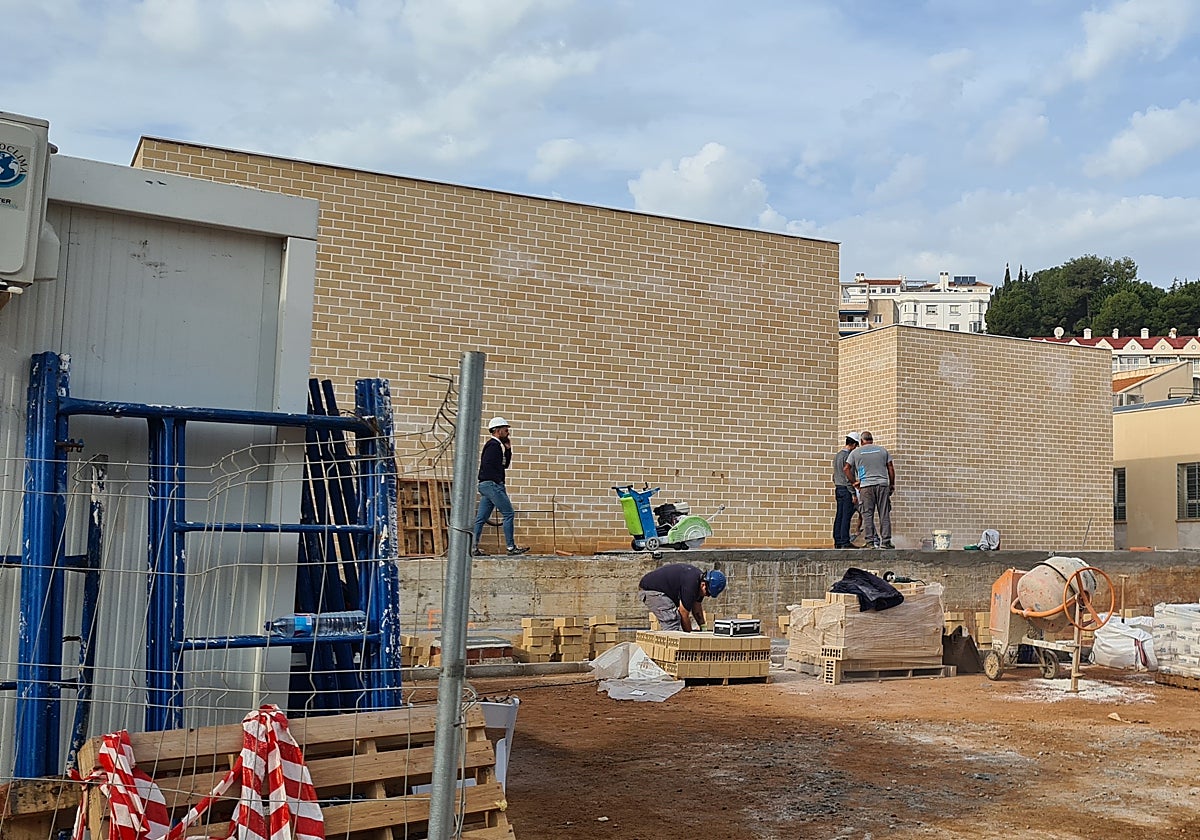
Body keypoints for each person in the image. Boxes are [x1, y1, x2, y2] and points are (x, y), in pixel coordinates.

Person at [472, 416, 530, 556]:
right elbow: (491, 466)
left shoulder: (496, 446)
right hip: (492, 485)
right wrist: (498, 483)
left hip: (486, 485)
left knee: (481, 518)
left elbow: (504, 465)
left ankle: (472, 547)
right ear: (497, 431)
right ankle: (511, 547)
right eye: (505, 430)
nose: (507, 432)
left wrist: (508, 450)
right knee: (509, 513)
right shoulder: (493, 446)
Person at [843, 430, 895, 549]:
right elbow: (890, 468)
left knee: (867, 514)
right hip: (882, 485)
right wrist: (891, 484)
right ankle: (886, 541)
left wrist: (854, 483)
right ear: (872, 440)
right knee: (884, 514)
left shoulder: (856, 452)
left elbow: (846, 468)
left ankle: (870, 542)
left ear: (861, 441)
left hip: (866, 486)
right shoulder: (882, 450)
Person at [637, 563, 727, 632]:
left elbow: (697, 608)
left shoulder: (699, 582)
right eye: (708, 593)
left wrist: (703, 628)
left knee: (678, 624)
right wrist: (688, 640)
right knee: (672, 621)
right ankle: (672, 654)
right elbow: (684, 614)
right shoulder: (691, 585)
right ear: (704, 585)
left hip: (660, 590)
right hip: (650, 590)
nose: (707, 596)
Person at [833, 432, 861, 548]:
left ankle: (838, 540)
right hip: (846, 489)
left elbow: (834, 475)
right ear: (853, 444)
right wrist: (853, 493)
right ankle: (845, 541)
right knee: (846, 516)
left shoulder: (837, 455)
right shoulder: (849, 457)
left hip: (838, 488)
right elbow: (848, 476)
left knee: (839, 515)